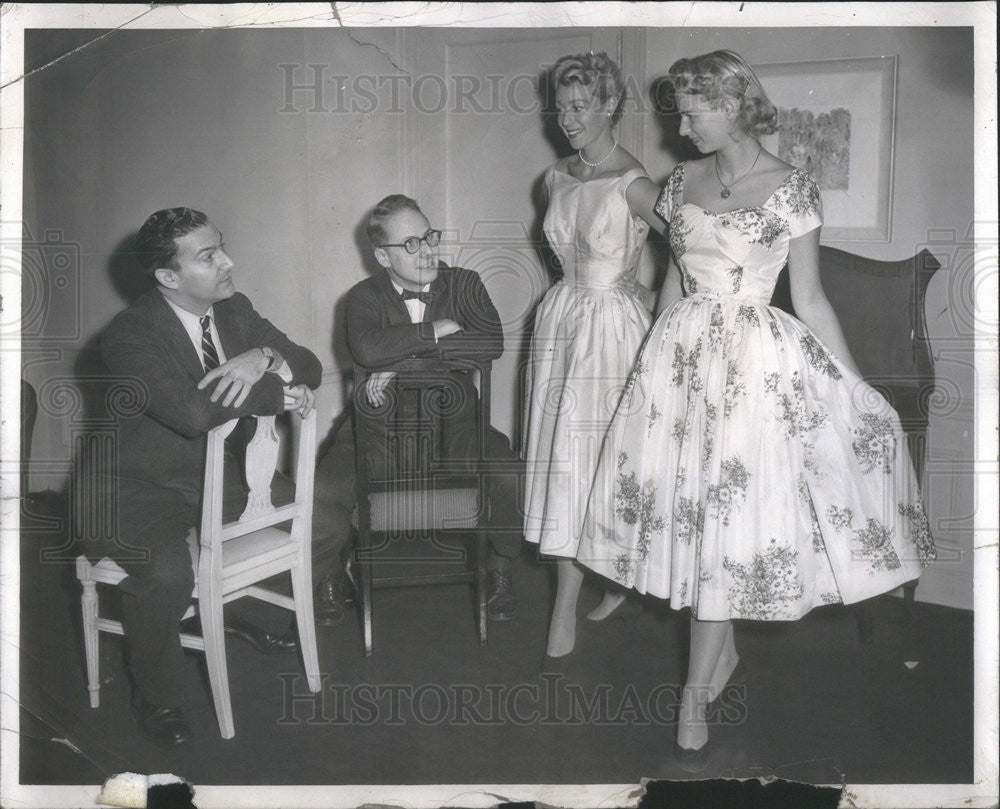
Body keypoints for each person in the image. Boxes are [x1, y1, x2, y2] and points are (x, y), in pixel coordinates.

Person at [577, 50, 936, 770]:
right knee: (692, 521)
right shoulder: (681, 181)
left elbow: (811, 300)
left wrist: (857, 386)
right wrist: (650, 370)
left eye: (694, 109)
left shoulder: (792, 189)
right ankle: (722, 653)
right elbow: (675, 286)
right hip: (682, 365)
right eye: (679, 108)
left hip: (754, 371)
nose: (681, 124)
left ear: (736, 104)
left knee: (725, 521)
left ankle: (693, 695)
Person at [83, 207, 342, 745]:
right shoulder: (129, 335)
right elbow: (194, 413)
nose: (228, 262)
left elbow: (310, 364)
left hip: (209, 477)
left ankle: (244, 615)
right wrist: (280, 388)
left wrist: (261, 354)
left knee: (329, 525)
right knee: (169, 575)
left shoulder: (234, 310)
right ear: (168, 277)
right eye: (209, 256)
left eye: (221, 247)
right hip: (129, 488)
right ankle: (156, 694)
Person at [522, 52, 666, 661]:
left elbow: (692, 244)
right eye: (561, 106)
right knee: (562, 460)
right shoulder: (554, 177)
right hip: (559, 323)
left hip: (613, 332)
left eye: (581, 106)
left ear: (610, 106)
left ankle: (582, 598)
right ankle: (585, 590)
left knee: (600, 462)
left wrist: (656, 295)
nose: (568, 118)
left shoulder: (635, 183)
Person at [339, 194, 521, 620]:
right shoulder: (363, 296)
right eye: (410, 245)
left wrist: (399, 365)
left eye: (429, 237)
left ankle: (500, 568)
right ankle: (334, 571)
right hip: (379, 429)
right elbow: (366, 348)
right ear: (383, 257)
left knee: (509, 474)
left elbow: (489, 342)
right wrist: (434, 330)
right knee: (327, 490)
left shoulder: (465, 283)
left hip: (455, 424)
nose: (427, 251)